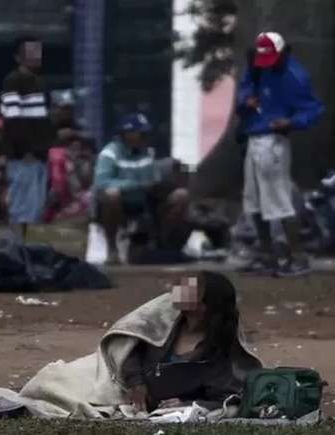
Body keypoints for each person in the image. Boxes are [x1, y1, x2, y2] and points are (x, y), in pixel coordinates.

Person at [236, 32, 325, 278]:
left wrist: (292, 122)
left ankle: (297, 257)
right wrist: (246, 100)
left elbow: (314, 108)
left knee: (279, 199)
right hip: (254, 137)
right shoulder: (257, 65)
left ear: (285, 52)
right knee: (253, 201)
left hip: (274, 140)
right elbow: (243, 89)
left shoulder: (295, 76)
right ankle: (268, 255)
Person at [122, 271, 261, 412]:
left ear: (205, 305)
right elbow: (128, 350)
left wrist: (189, 404)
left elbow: (227, 399)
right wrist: (136, 384)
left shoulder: (219, 350)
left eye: (192, 289)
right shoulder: (162, 326)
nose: (178, 290)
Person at [93, 113, 189, 265]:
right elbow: (102, 183)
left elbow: (154, 179)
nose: (145, 136)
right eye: (141, 132)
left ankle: (164, 245)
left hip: (145, 203)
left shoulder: (147, 152)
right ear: (127, 134)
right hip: (121, 204)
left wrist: (160, 185)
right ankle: (112, 250)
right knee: (111, 195)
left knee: (181, 196)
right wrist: (134, 185)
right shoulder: (110, 152)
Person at [0, 36, 54, 241]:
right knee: (21, 204)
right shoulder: (13, 80)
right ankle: (15, 248)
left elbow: (42, 119)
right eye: (30, 52)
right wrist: (25, 151)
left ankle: (25, 248)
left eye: (38, 52)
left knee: (34, 206)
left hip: (39, 153)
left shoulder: (39, 82)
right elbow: (12, 119)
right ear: (18, 57)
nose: (36, 56)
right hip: (24, 155)